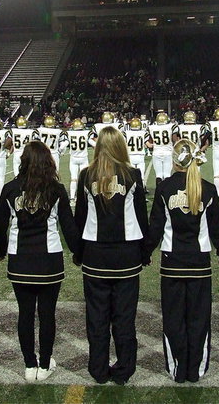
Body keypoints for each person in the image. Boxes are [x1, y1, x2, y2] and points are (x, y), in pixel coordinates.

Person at [146, 139, 219, 383]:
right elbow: (218, 229)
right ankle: (195, 370)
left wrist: (144, 254)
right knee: (198, 319)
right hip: (199, 264)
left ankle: (177, 369)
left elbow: (155, 227)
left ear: (174, 160)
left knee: (173, 318)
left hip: (172, 263)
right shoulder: (207, 188)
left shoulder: (164, 188)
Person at [0, 141, 79, 382]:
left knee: (26, 313)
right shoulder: (57, 189)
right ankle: (45, 363)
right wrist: (78, 252)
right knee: (47, 314)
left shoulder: (10, 188)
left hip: (20, 260)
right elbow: (68, 226)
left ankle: (30, 364)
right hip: (49, 260)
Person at [75, 126, 150, 385]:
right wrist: (145, 252)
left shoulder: (86, 175)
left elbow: (79, 219)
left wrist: (78, 252)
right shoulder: (133, 174)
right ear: (121, 146)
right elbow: (141, 216)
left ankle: (98, 368)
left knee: (96, 317)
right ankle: (124, 369)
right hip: (127, 256)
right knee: (124, 317)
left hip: (95, 256)